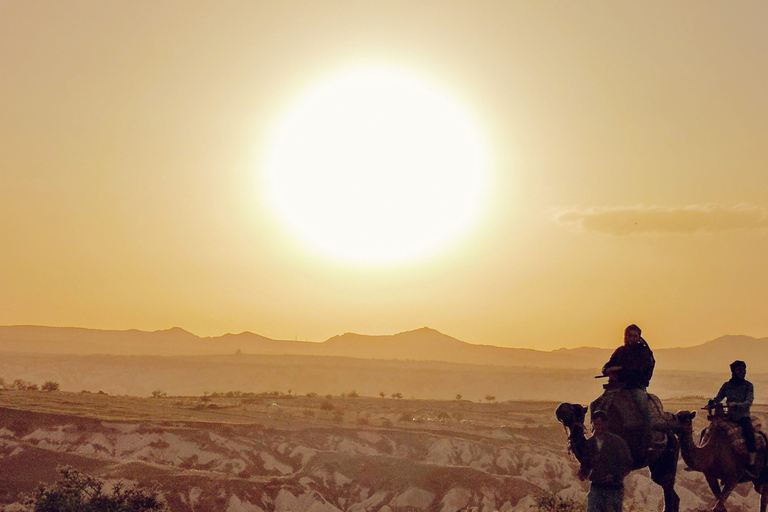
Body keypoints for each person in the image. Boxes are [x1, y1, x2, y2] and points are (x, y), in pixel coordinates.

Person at [602, 324, 655, 448]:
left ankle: (648, 441)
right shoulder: (620, 351)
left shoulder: (643, 352)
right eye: (629, 335)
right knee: (598, 405)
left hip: (635, 386)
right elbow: (606, 366)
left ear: (638, 337)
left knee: (643, 407)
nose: (631, 338)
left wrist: (619, 369)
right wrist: (608, 370)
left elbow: (638, 370)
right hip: (616, 387)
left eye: (634, 336)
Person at [578, 410, 634, 512]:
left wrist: (615, 475)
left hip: (613, 488)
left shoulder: (617, 442)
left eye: (600, 424)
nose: (597, 427)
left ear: (606, 424)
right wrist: (583, 471)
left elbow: (627, 463)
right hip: (596, 486)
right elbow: (587, 462)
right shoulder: (590, 443)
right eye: (595, 424)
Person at [712, 360, 756, 473]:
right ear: (734, 371)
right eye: (739, 370)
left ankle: (752, 464)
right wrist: (711, 403)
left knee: (750, 435)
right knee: (711, 431)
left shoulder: (748, 386)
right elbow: (718, 398)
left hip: (743, 417)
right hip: (729, 417)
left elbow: (749, 402)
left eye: (743, 370)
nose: (742, 372)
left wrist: (736, 405)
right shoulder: (727, 386)